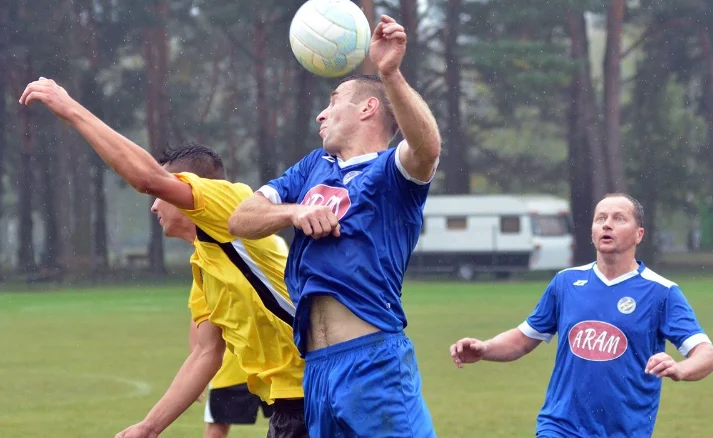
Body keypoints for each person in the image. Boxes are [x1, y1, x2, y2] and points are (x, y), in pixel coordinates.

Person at [18, 82, 307, 438]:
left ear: (193, 190)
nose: (155, 204)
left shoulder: (230, 203)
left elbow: (148, 180)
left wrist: (71, 109)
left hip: (322, 388)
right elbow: (206, 355)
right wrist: (148, 427)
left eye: (166, 192)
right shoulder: (204, 267)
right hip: (292, 403)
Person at [229, 14, 440, 438]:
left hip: (371, 362)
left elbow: (427, 147)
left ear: (367, 107)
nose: (321, 116)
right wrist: (293, 212)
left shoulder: (390, 173)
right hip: (317, 370)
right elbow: (240, 220)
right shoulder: (314, 167)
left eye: (333, 101)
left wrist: (390, 73)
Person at [450, 193, 713, 438]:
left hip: (625, 430)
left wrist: (680, 369)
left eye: (619, 218)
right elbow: (523, 338)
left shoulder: (661, 292)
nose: (607, 225)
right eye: (601, 218)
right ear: (592, 231)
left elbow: (705, 353)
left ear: (638, 234)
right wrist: (485, 348)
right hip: (560, 425)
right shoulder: (566, 283)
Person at [188, 297, 273, 438]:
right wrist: (197, 373)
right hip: (230, 369)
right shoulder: (208, 275)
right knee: (217, 430)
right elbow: (199, 319)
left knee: (289, 425)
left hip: (275, 367)